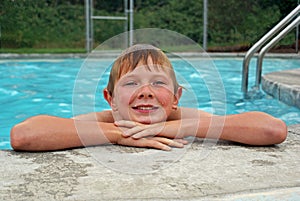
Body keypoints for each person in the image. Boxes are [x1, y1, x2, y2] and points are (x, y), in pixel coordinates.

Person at [10, 44, 287, 151]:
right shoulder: (109, 120)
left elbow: (273, 129)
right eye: (131, 83)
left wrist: (178, 127)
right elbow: (23, 135)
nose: (146, 91)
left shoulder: (182, 117)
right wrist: (117, 134)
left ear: (177, 97)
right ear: (110, 99)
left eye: (158, 82)